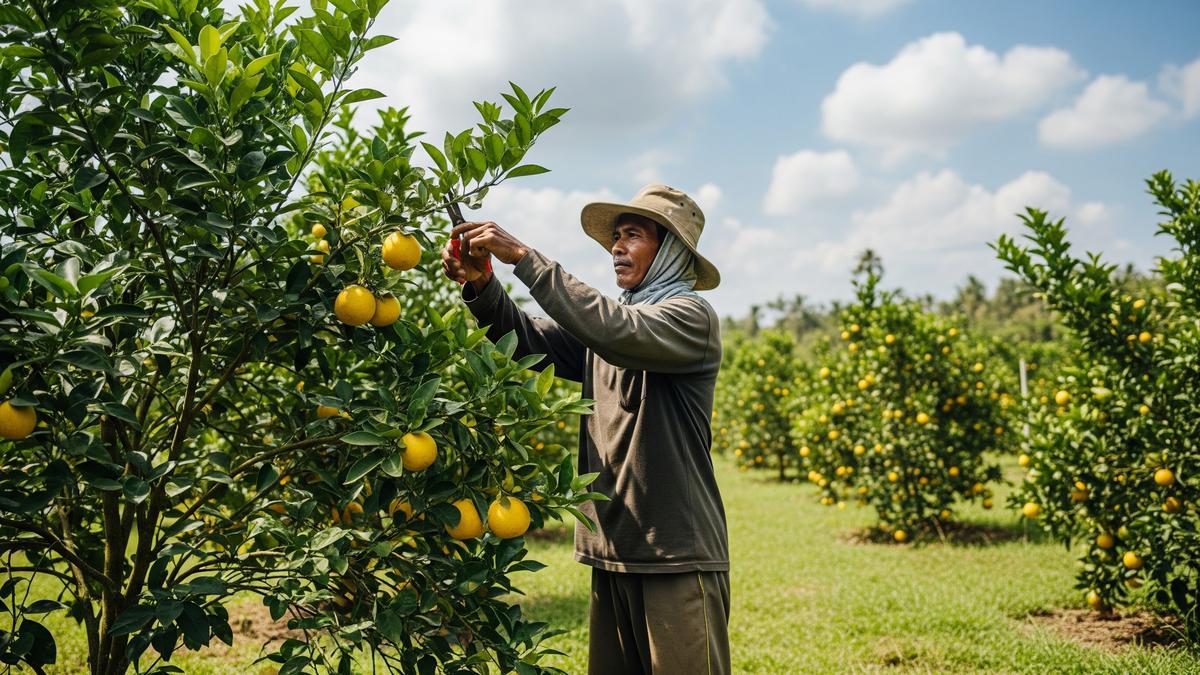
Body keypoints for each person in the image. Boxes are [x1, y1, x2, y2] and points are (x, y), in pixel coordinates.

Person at [441, 184, 730, 675]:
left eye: (633, 235)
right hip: (612, 549)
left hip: (676, 557)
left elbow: (618, 331)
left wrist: (525, 257)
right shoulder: (613, 327)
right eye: (616, 236)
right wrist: (483, 286)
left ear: (671, 252)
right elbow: (527, 339)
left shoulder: (689, 318)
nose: (617, 246)